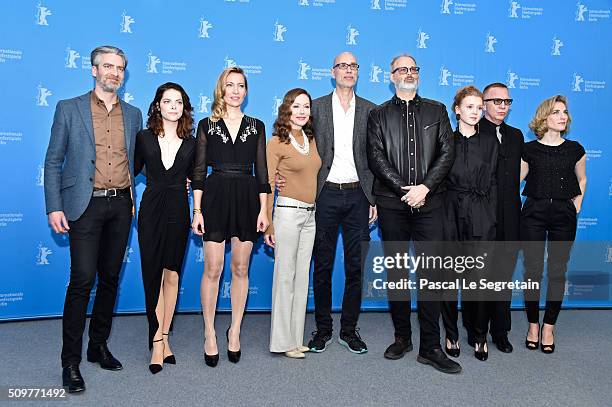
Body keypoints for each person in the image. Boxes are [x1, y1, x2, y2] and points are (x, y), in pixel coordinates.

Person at [44, 45, 142, 393]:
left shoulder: (133, 115)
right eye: (108, 66)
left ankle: (97, 345)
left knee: (111, 278)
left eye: (120, 68)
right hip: (83, 205)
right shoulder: (68, 108)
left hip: (120, 206)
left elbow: (140, 161)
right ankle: (70, 362)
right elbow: (54, 160)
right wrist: (54, 206)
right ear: (94, 70)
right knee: (82, 280)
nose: (114, 73)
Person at [367, 54, 460, 374]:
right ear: (391, 76)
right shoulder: (377, 115)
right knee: (396, 272)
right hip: (393, 204)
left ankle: (431, 347)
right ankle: (402, 337)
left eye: (414, 69)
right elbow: (376, 157)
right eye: (402, 69)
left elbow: (447, 152)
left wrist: (425, 188)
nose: (409, 73)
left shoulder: (437, 110)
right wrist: (406, 190)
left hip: (430, 204)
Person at [191, 67, 270, 367]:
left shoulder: (257, 125)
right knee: (213, 268)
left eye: (240, 85)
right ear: (220, 90)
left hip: (248, 198)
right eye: (230, 85)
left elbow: (262, 172)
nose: (235, 90)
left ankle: (234, 330)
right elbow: (199, 172)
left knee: (240, 267)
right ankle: (210, 333)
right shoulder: (206, 125)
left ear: (246, 91)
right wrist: (197, 211)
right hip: (215, 196)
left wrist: (264, 210)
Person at [306, 51, 377, 354]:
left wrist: (375, 198)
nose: (348, 70)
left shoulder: (371, 111)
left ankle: (349, 329)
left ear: (358, 72)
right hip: (325, 195)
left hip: (360, 196)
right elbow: (296, 144)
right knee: (321, 265)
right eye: (342, 66)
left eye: (353, 66)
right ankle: (322, 329)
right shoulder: (317, 107)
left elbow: (377, 159)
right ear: (332, 72)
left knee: (355, 267)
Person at [134, 82, 196, 374]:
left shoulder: (192, 143)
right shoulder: (143, 138)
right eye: (167, 101)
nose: (173, 106)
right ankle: (155, 340)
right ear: (157, 105)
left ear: (184, 108)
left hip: (178, 211)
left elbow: (199, 179)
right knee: (153, 275)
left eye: (179, 102)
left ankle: (166, 337)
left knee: (172, 274)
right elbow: (127, 171)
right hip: (151, 209)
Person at [520, 95, 586, 354]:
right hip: (533, 211)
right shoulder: (528, 149)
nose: (563, 116)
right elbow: (516, 179)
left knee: (558, 271)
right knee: (532, 271)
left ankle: (549, 326)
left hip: (563, 213)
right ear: (544, 117)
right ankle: (533, 325)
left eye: (565, 112)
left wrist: (576, 204)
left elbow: (582, 180)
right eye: (557, 111)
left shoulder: (575, 149)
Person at [440, 86, 498, 361]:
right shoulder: (445, 141)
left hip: (480, 214)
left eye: (479, 107)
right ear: (457, 110)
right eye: (470, 107)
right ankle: (451, 333)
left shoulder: (490, 142)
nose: (476, 112)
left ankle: (479, 336)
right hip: (449, 212)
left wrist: (491, 217)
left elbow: (495, 181)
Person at [264, 88, 322, 358]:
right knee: (285, 278)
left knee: (301, 279)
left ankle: (296, 339)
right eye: (296, 106)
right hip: (286, 213)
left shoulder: (310, 139)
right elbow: (267, 184)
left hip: (311, 215)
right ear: (286, 109)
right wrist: (268, 222)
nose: (301, 111)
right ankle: (281, 342)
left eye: (306, 107)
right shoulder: (276, 142)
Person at [478, 82, 524, 353]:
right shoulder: (471, 132)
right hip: (481, 218)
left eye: (507, 102)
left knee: (503, 276)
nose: (503, 106)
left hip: (509, 217)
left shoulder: (517, 136)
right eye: (497, 101)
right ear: (484, 103)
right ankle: (477, 330)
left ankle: (501, 331)